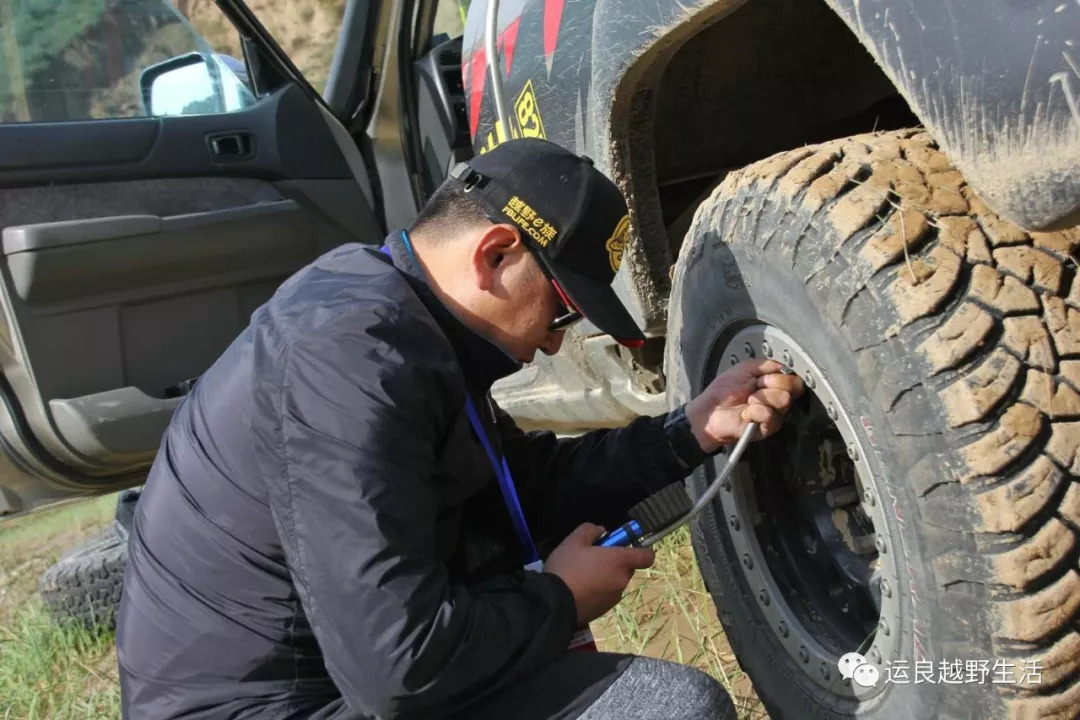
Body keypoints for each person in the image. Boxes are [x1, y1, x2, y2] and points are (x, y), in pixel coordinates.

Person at [115, 138, 804, 719]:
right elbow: (396, 664)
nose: (556, 344)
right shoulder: (352, 360)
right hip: (289, 704)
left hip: (330, 679)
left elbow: (515, 493)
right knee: (671, 712)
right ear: (497, 254)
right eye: (563, 311)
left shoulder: (396, 315)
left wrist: (687, 430)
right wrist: (557, 600)